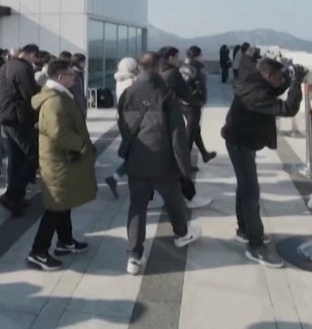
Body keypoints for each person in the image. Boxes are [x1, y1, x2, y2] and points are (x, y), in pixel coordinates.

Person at [117, 52, 201, 275]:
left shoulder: (127, 93)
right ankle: (182, 234)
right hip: (163, 160)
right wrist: (184, 169)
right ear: (156, 68)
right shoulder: (166, 94)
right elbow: (177, 136)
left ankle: (134, 256)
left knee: (137, 206)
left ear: (141, 68)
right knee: (173, 200)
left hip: (136, 159)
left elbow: (123, 127)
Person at [221, 58, 306, 268]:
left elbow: (275, 87)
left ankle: (243, 230)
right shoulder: (256, 94)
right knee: (251, 192)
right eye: (278, 76)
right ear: (267, 76)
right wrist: (296, 83)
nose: (281, 80)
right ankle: (255, 245)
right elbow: (287, 109)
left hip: (240, 142)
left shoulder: (255, 81)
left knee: (245, 188)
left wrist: (289, 75)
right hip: (240, 144)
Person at [25, 59, 96, 270]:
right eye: (70, 75)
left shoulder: (61, 96)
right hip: (59, 160)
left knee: (64, 202)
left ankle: (65, 242)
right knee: (56, 206)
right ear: (59, 77)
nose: (74, 78)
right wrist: (82, 145)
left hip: (62, 158)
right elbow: (58, 132)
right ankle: (38, 251)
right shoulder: (55, 100)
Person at [159, 47, 212, 209]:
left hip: (157, 124)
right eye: (176, 57)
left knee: (164, 162)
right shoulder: (172, 73)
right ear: (169, 58)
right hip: (172, 120)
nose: (177, 60)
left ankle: (157, 198)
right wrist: (199, 102)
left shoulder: (155, 74)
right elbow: (187, 94)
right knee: (180, 159)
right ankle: (190, 197)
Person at [0, 44, 41, 217]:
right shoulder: (23, 68)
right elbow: (30, 93)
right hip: (19, 118)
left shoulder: (7, 66)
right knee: (33, 155)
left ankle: (17, 197)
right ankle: (11, 195)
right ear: (32, 55)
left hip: (7, 116)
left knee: (17, 158)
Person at [104, 57, 139, 198]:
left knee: (134, 152)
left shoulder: (119, 79)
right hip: (132, 118)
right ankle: (116, 177)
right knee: (136, 152)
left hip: (123, 118)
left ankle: (116, 178)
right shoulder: (132, 81)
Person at [180, 46, 217, 164]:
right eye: (201, 55)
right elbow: (197, 87)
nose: (203, 58)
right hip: (193, 104)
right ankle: (185, 162)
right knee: (190, 133)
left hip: (184, 103)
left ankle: (204, 153)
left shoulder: (183, 68)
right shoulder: (195, 70)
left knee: (195, 129)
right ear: (196, 57)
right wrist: (198, 98)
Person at [69, 53, 88, 119]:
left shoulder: (80, 73)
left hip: (81, 105)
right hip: (76, 106)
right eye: (83, 62)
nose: (84, 64)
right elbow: (76, 93)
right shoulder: (73, 74)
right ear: (77, 62)